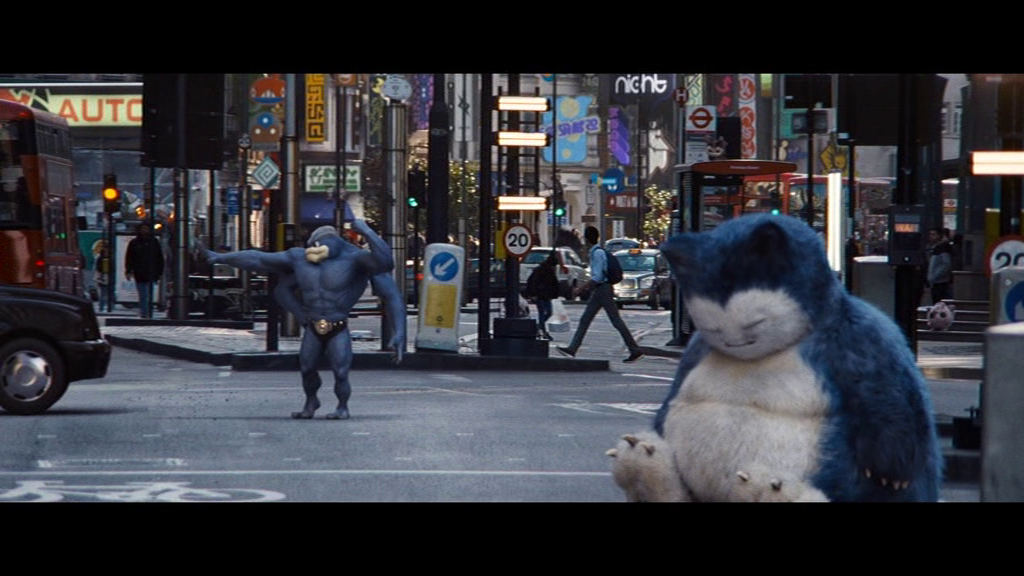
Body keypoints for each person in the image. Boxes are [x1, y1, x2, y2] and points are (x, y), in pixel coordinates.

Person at [206, 215, 401, 420]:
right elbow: (258, 259)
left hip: (337, 323)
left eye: (329, 241)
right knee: (307, 368)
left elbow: (386, 263)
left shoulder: (354, 258)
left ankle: (342, 407)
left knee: (341, 371)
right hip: (313, 324)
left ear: (339, 241)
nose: (324, 246)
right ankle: (311, 402)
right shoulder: (300, 258)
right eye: (320, 242)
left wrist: (367, 231)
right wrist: (220, 258)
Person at [557, 226, 644, 363]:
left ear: (587, 239)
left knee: (614, 320)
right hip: (601, 289)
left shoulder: (597, 253)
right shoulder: (598, 252)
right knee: (587, 319)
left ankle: (634, 349)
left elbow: (597, 277)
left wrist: (580, 289)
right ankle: (573, 348)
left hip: (602, 289)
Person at [124, 222, 164, 318]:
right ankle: (145, 312)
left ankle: (146, 312)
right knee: (143, 294)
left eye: (146, 229)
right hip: (140, 272)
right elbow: (129, 258)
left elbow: (159, 257)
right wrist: (128, 270)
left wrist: (160, 271)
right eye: (143, 229)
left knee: (147, 294)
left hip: (150, 272)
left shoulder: (153, 242)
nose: (144, 231)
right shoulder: (134, 243)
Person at [523, 251, 560, 340]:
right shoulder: (541, 270)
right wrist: (533, 294)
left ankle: (540, 327)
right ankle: (542, 329)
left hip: (545, 295)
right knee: (543, 312)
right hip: (540, 295)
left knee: (547, 312)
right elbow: (533, 282)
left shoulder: (546, 270)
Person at [926, 226, 953, 305]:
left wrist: (934, 276)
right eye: (930, 234)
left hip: (941, 282)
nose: (931, 237)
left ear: (939, 236)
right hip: (936, 282)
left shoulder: (942, 248)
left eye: (933, 234)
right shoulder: (934, 248)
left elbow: (946, 264)